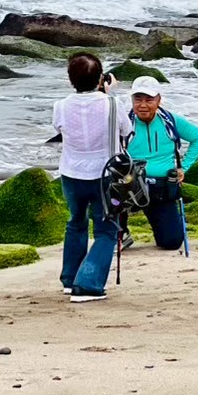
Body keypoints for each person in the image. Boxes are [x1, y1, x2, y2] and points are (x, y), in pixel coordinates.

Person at [54, 54, 131, 302]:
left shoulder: (61, 105)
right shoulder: (112, 103)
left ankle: (70, 278)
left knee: (76, 222)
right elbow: (127, 131)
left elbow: (59, 129)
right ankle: (87, 284)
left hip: (71, 172)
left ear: (70, 80)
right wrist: (110, 94)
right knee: (106, 230)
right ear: (101, 78)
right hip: (105, 174)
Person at [121, 76, 198, 252]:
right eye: (138, 99)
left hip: (162, 188)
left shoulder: (171, 121)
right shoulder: (123, 122)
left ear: (159, 99)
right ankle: (121, 232)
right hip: (131, 186)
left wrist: (184, 168)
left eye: (149, 99)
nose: (143, 105)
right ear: (131, 100)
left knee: (171, 242)